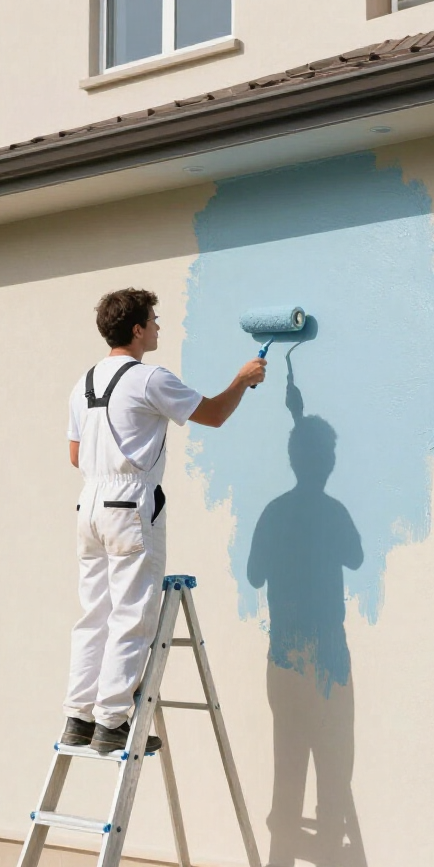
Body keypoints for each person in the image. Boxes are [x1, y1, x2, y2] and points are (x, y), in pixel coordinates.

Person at [62, 288, 266, 753]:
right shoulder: (149, 378)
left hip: (89, 504)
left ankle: (78, 717)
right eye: (153, 319)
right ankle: (111, 723)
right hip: (129, 504)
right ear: (137, 329)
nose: (158, 326)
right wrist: (242, 380)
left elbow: (75, 455)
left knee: (95, 613)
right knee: (133, 613)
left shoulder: (83, 384)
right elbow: (213, 414)